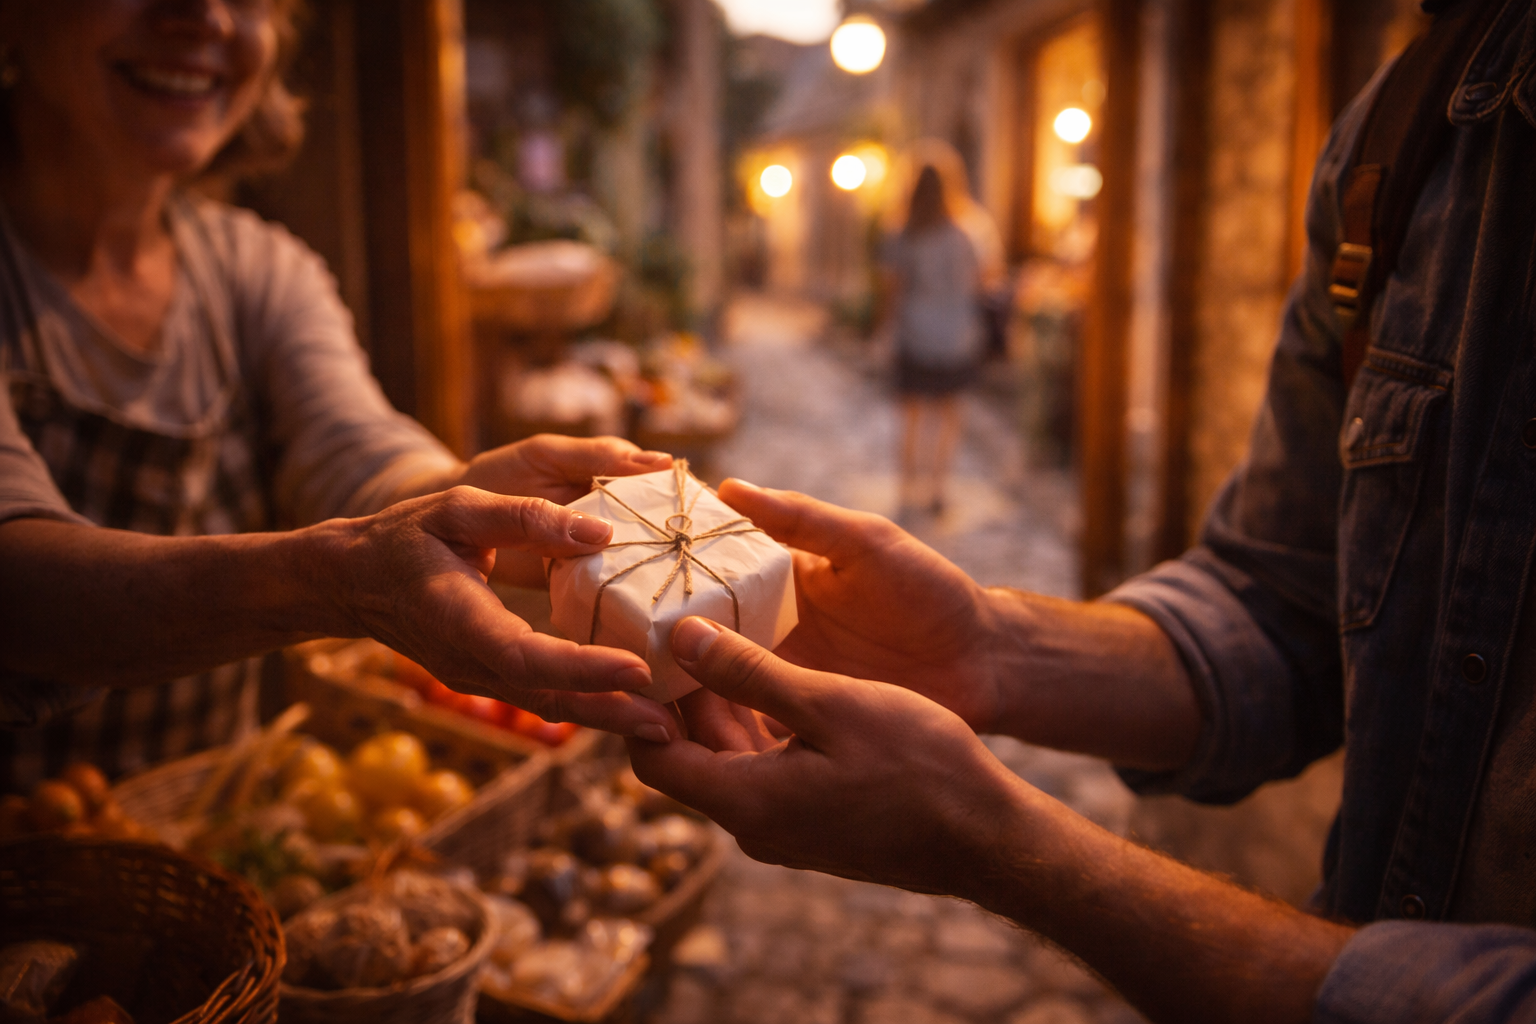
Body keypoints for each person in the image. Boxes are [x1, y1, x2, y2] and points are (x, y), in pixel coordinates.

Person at [628, 1, 1536, 1019]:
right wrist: (990, 646)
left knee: (927, 410)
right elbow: (1284, 599)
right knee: (937, 415)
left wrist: (996, 843)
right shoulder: (1413, 129)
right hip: (949, 343)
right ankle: (927, 480)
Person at [0, 0, 681, 793]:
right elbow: (22, 593)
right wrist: (337, 578)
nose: (203, 16)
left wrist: (466, 504)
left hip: (201, 839)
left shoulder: (256, 271)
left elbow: (359, 452)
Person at [880, 164, 985, 518]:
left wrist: (885, 330)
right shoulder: (964, 235)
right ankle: (938, 487)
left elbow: (892, 290)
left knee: (911, 415)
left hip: (915, 333)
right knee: (948, 415)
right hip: (956, 336)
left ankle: (908, 486)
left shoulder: (903, 236)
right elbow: (981, 281)